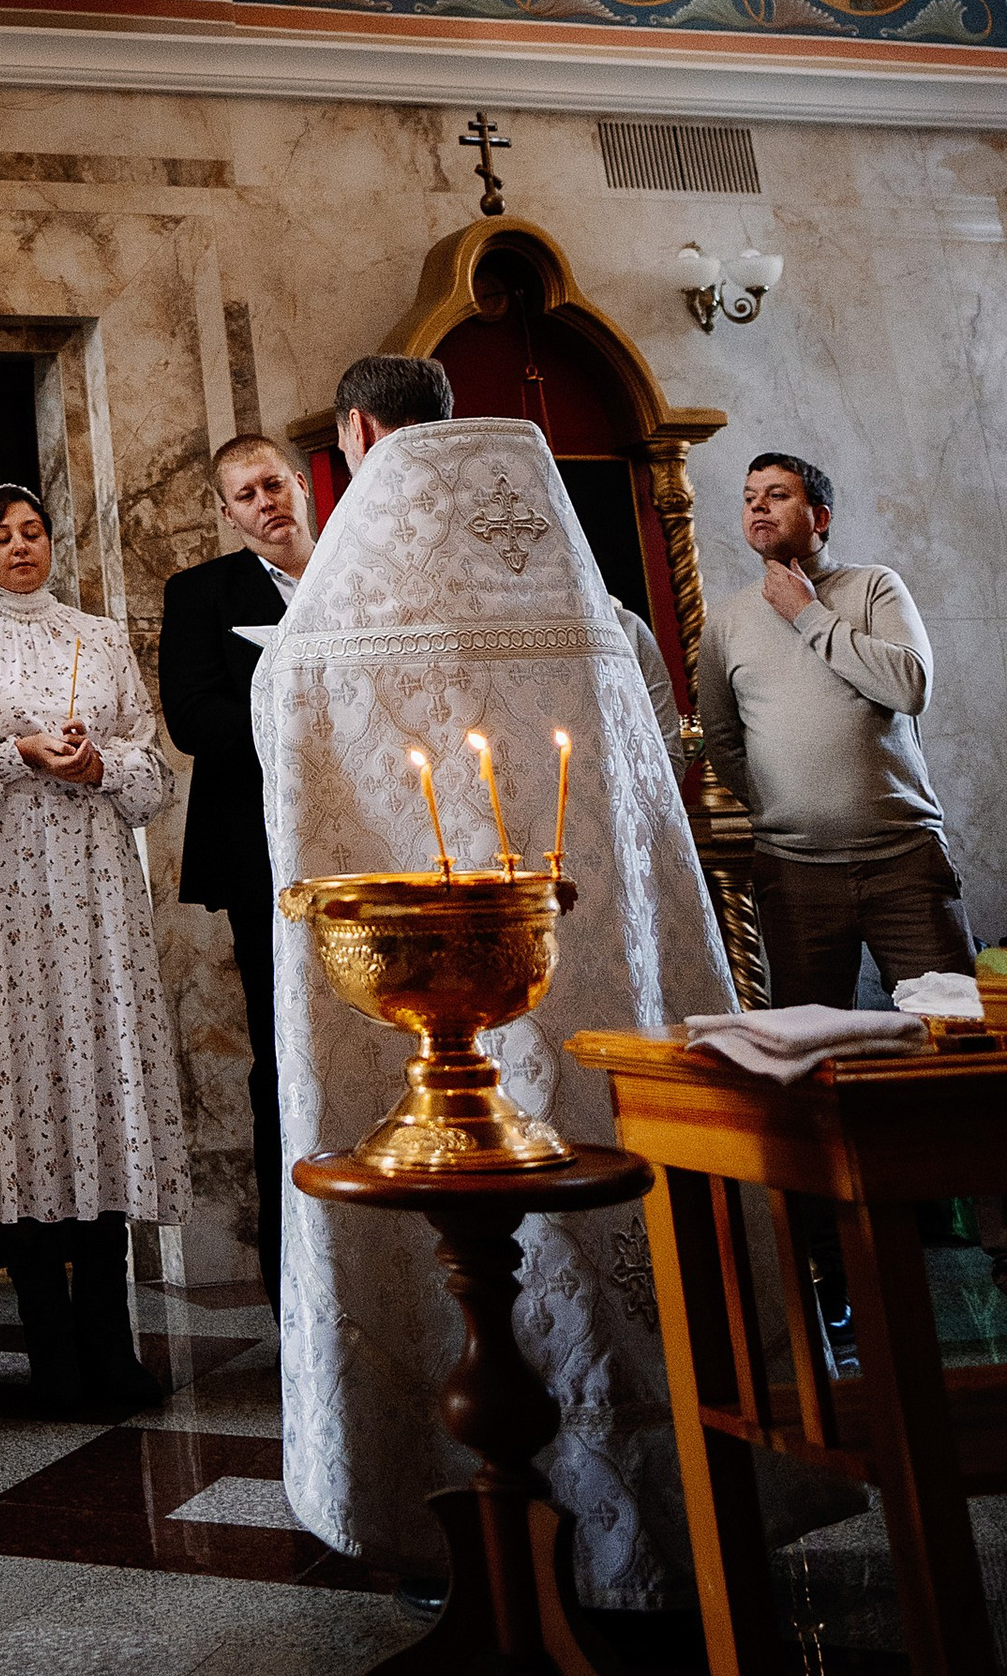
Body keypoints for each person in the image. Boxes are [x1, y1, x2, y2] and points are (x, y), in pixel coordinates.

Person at [256, 359, 733, 1606]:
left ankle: (471, 1518)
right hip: (598, 984)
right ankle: (677, 1514)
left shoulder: (338, 604)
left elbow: (293, 752)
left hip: (426, 1008)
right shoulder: (583, 589)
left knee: (457, 1230)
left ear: (355, 431)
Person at [0, 484, 186, 1416]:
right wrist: (17, 753)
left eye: (32, 531)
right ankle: (49, 1350)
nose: (19, 546)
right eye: (0, 535)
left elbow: (153, 777)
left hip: (98, 887)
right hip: (5, 896)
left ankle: (111, 1343)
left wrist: (96, 762)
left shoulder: (101, 637)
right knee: (25, 1089)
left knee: (99, 1088)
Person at [696, 449, 973, 1005]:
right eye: (750, 500)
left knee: (958, 1031)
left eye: (777, 496)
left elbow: (909, 686)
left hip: (904, 861)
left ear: (819, 517)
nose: (759, 508)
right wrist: (786, 803)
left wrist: (807, 613)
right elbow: (723, 739)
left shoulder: (875, 587)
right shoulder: (725, 622)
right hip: (793, 875)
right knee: (809, 1054)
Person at [157, 436, 314, 1311]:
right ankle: (291, 1272)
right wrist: (299, 705)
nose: (264, 503)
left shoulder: (356, 573)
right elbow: (193, 718)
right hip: (263, 852)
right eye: (243, 495)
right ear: (227, 513)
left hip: (373, 843)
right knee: (281, 1050)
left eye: (273, 484)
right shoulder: (202, 594)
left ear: (301, 483)